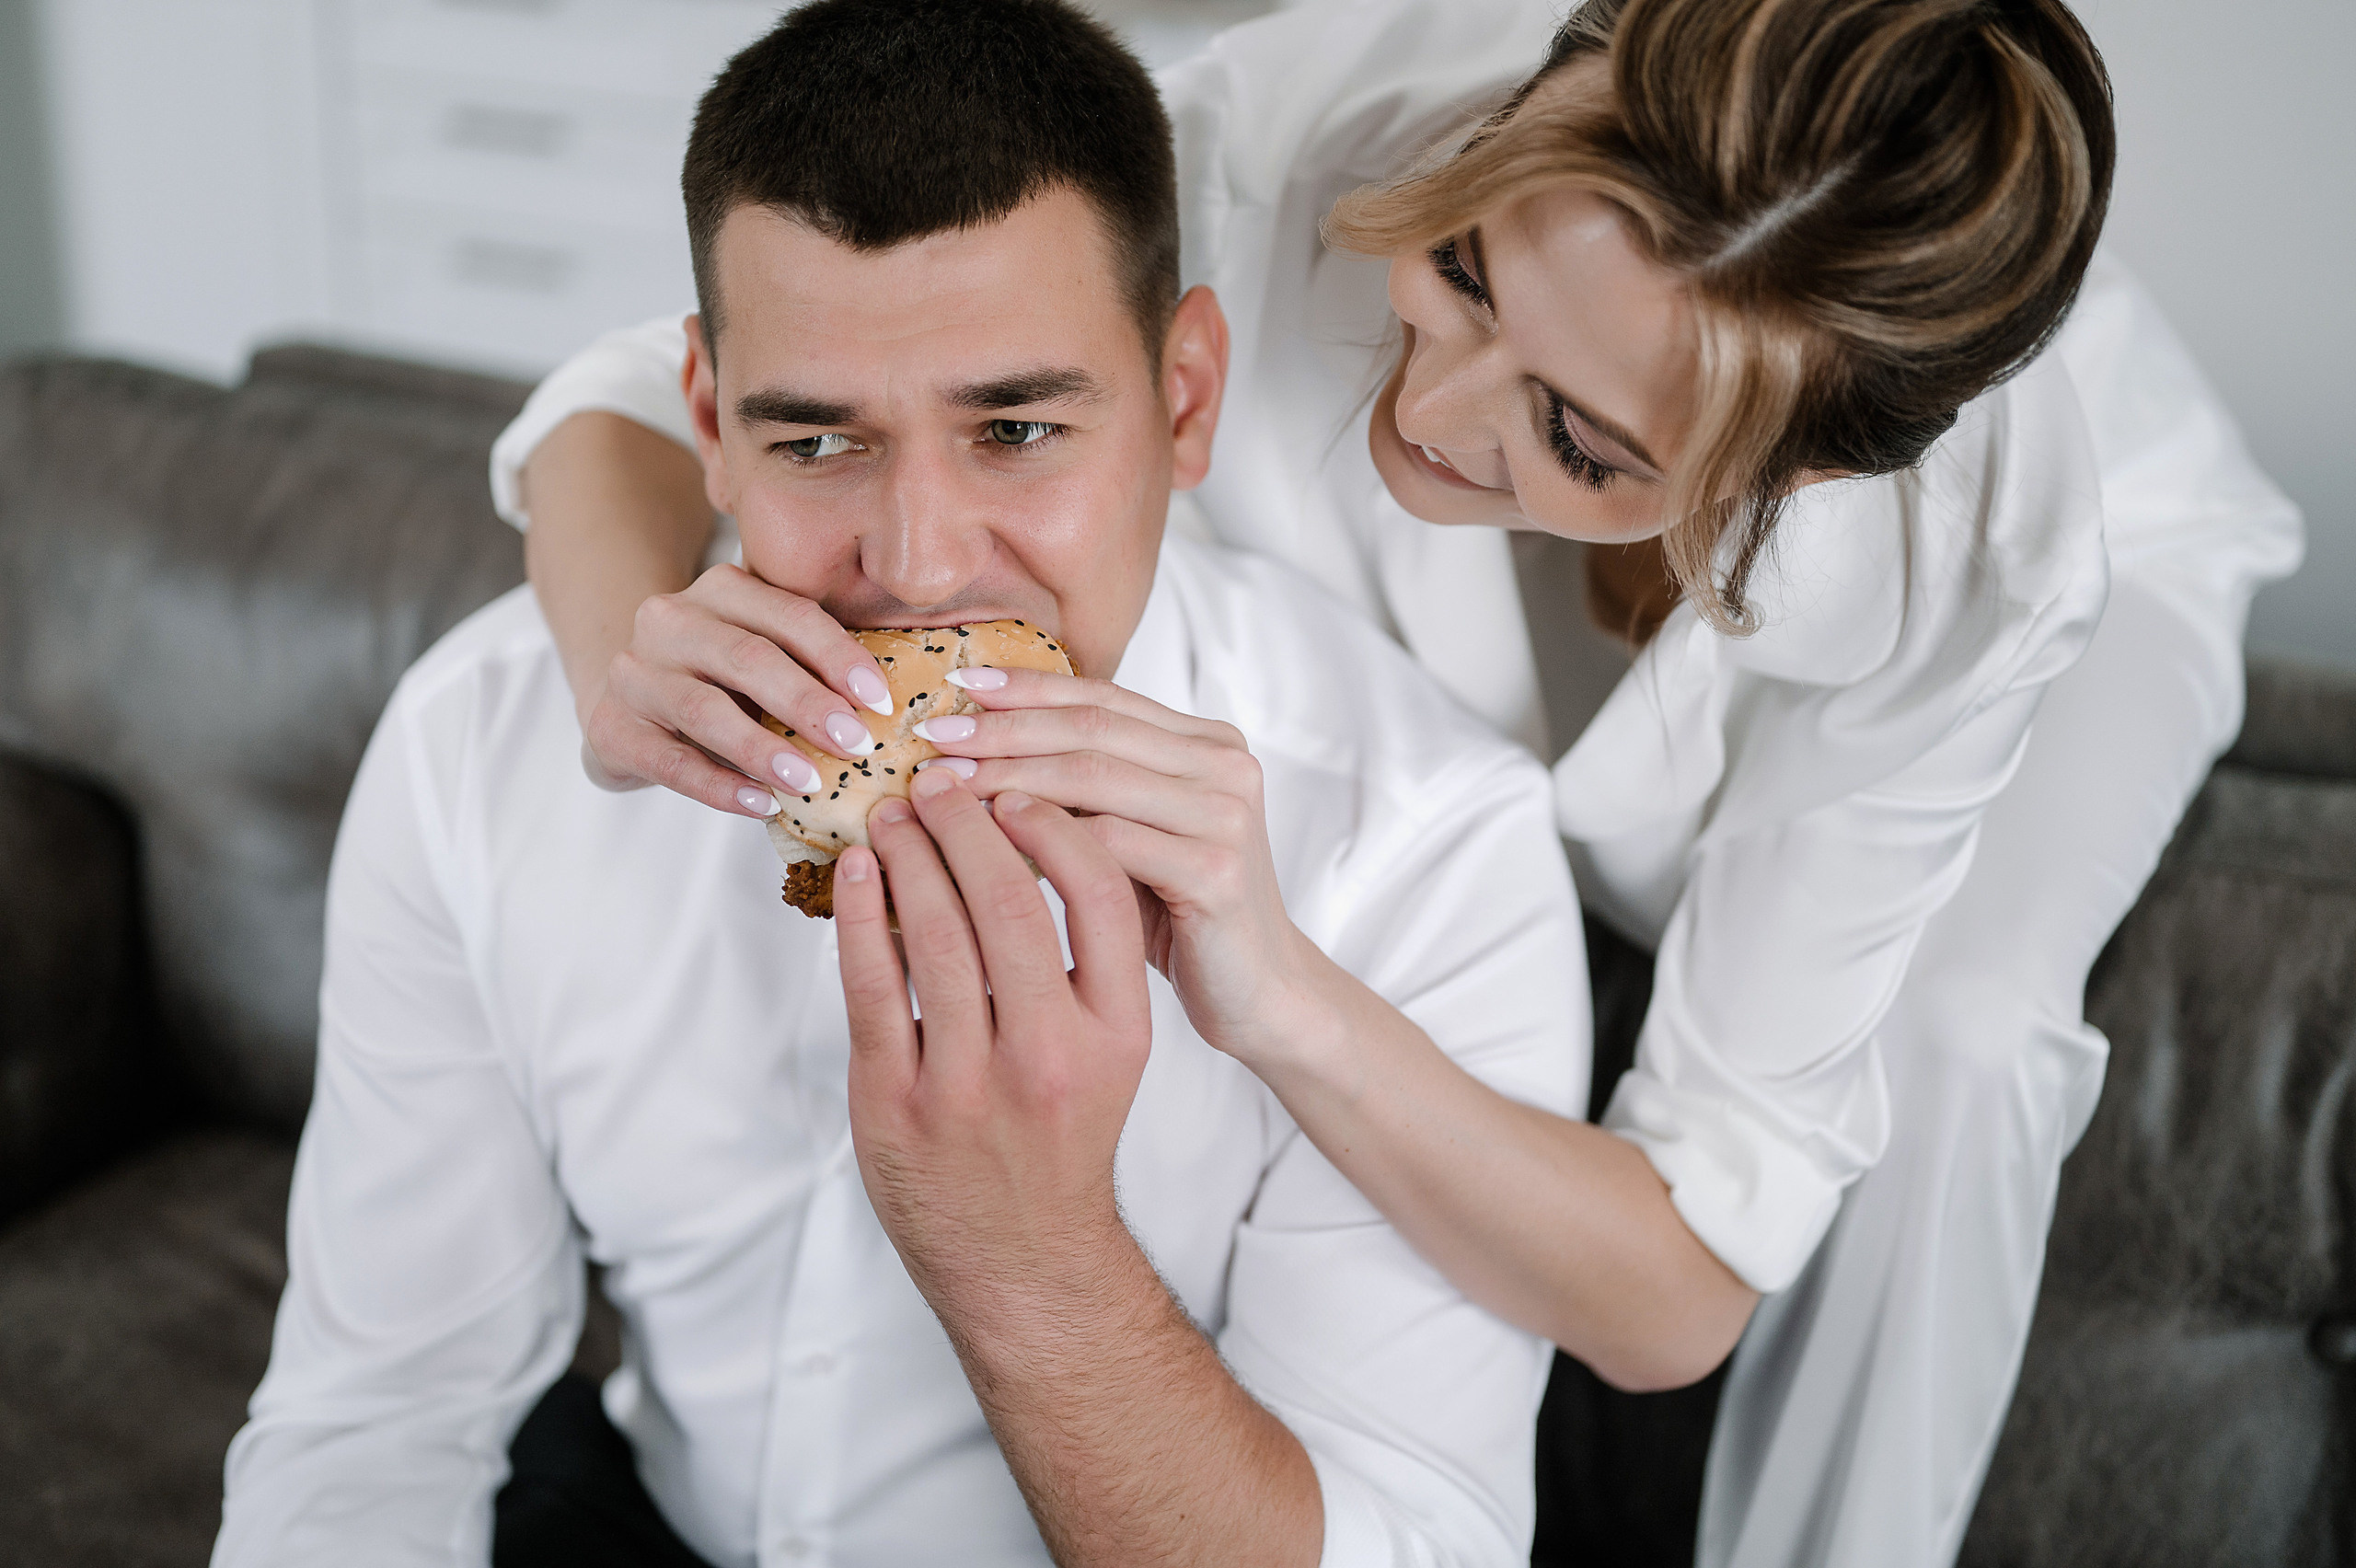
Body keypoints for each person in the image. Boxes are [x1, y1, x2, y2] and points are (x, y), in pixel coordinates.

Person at [497, 2, 2304, 1566]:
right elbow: (683, 380)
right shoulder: (1317, 118)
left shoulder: (1945, 574)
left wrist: (1282, 995)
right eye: (1458, 275)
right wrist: (626, 659)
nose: (1430, 419)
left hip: (2105, 558)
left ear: (1768, 493)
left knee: (1961, 1039)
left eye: (1576, 437)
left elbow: (1675, 1295)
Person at [210, 6, 1589, 1565]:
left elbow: (1421, 1544)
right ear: (709, 423)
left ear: (1184, 401)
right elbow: (379, 1418)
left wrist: (1027, 1255)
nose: (919, 566)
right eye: (815, 441)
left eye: (1016, 428)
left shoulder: (1425, 852)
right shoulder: (488, 733)